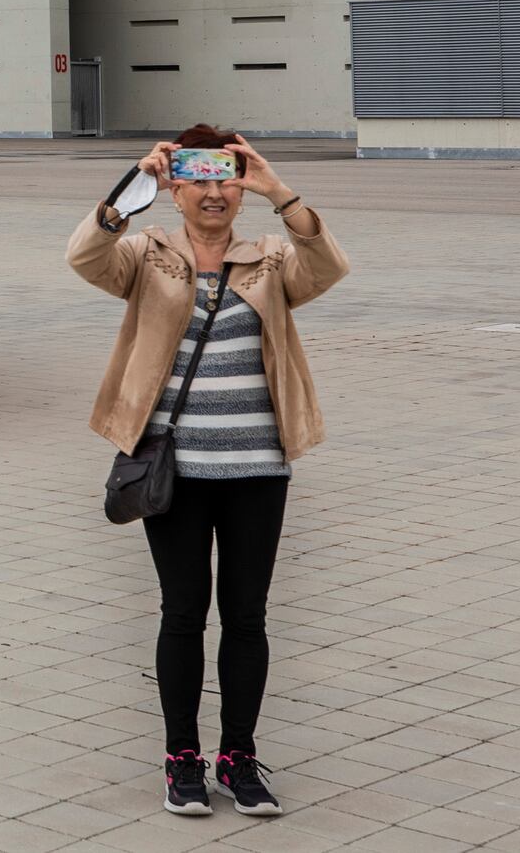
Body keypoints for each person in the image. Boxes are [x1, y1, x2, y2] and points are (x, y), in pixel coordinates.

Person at [67, 124, 348, 819]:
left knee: (246, 615)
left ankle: (240, 755)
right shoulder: (145, 252)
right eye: (199, 177)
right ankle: (182, 757)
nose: (215, 191)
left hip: (258, 466)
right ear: (177, 185)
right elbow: (84, 255)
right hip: (175, 469)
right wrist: (133, 186)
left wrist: (277, 187)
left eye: (228, 177)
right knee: (183, 611)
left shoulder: (273, 257)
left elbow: (329, 264)